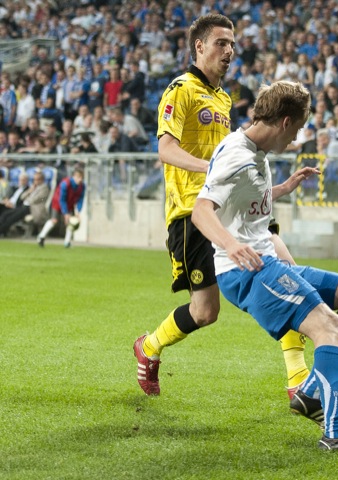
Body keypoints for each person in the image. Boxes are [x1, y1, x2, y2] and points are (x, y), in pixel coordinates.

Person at [191, 80, 338, 454]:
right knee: (329, 325)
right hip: (246, 272)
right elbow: (202, 210)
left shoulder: (255, 152)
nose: (295, 139)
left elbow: (244, 199)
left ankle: (310, 393)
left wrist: (281, 189)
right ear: (283, 122)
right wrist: (231, 244)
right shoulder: (238, 155)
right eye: (295, 130)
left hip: (268, 261)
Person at [132, 14, 310, 401]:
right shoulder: (180, 90)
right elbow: (166, 150)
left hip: (236, 208)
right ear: (199, 46)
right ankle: (149, 346)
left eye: (232, 44)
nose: (229, 50)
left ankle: (298, 379)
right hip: (192, 211)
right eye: (221, 43)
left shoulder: (224, 98)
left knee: (288, 274)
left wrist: (272, 185)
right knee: (205, 312)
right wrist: (210, 167)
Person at [37, 167, 84, 248]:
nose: (80, 179)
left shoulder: (82, 186)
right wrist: (65, 213)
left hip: (70, 204)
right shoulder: (65, 184)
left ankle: (67, 242)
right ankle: (41, 237)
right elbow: (62, 199)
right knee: (54, 220)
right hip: (57, 202)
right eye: (78, 177)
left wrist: (78, 211)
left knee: (70, 222)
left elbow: (80, 199)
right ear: (74, 176)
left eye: (82, 177)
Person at [0, 170, 50, 236]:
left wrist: (28, 199)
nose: (36, 181)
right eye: (34, 179)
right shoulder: (33, 187)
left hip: (32, 208)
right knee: (5, 214)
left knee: (12, 218)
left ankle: (1, 230)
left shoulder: (44, 188)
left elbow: (37, 199)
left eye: (37, 179)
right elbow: (22, 197)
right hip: (24, 206)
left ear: (42, 179)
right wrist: (30, 191)